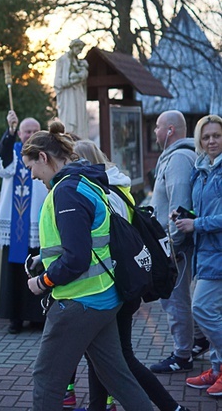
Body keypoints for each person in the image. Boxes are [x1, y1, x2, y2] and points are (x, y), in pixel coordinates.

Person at [22, 121, 154, 411]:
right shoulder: (87, 182)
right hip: (104, 297)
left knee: (46, 380)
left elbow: (77, 258)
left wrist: (41, 281)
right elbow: (87, 243)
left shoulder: (65, 192)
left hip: (78, 301)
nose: (32, 175)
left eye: (32, 167)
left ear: (44, 158)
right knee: (118, 379)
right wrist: (44, 259)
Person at [68, 139, 191, 411]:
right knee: (100, 355)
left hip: (112, 285)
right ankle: (98, 407)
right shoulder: (119, 186)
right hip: (126, 281)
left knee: (122, 358)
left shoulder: (99, 192)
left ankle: (172, 407)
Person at [149, 110, 208, 375]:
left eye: (158, 127)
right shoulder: (177, 157)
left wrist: (171, 245)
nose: (155, 132)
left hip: (175, 246)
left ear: (170, 130)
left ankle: (182, 355)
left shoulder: (178, 160)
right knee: (180, 298)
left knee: (175, 299)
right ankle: (197, 340)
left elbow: (179, 205)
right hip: (174, 243)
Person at [176, 115, 222, 397]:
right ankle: (217, 370)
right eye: (206, 137)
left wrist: (198, 224)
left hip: (218, 253)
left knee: (202, 309)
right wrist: (186, 218)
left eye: (216, 135)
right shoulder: (202, 169)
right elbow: (204, 212)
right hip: (205, 252)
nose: (212, 141)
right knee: (212, 313)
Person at [0, 110, 48, 334]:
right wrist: (10, 132)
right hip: (14, 225)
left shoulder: (46, 154)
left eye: (35, 131)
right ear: (20, 133)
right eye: (27, 131)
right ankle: (15, 318)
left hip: (37, 222)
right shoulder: (14, 152)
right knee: (15, 272)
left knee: (37, 269)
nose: (31, 135)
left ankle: (37, 317)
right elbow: (0, 163)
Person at [54, 39, 89, 139]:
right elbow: (57, 82)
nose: (80, 51)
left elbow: (83, 79)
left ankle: (79, 140)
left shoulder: (79, 62)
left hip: (78, 94)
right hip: (68, 95)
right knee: (69, 120)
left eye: (82, 49)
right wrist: (71, 81)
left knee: (80, 121)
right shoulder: (62, 60)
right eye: (79, 48)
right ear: (73, 46)